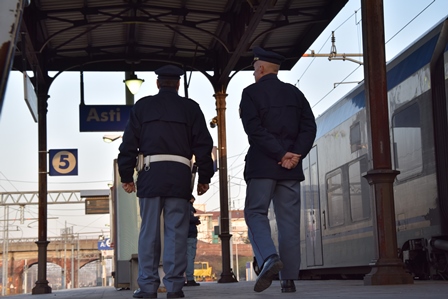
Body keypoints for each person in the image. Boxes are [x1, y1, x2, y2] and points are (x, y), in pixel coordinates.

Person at [118, 65, 214, 299]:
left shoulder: (143, 106)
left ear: (158, 83)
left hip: (151, 176)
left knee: (149, 232)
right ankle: (174, 287)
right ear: (178, 84)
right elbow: (203, 144)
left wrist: (126, 176)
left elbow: (129, 143)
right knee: (177, 233)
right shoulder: (190, 108)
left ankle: (148, 287)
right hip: (180, 178)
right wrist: (204, 178)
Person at [239, 47, 317, 293]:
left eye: (254, 68)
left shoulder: (250, 94)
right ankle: (289, 279)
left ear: (260, 67)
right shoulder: (295, 94)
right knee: (289, 223)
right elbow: (309, 127)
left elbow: (254, 130)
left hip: (263, 166)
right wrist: (294, 155)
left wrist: (280, 153)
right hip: (290, 170)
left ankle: (269, 257)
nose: (253, 72)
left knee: (255, 213)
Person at [184, 194, 201, 286]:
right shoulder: (188, 206)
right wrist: (196, 220)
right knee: (190, 257)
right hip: (190, 235)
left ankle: (179, 278)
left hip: (181, 235)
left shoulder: (179, 206)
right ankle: (190, 279)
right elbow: (189, 218)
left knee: (181, 257)